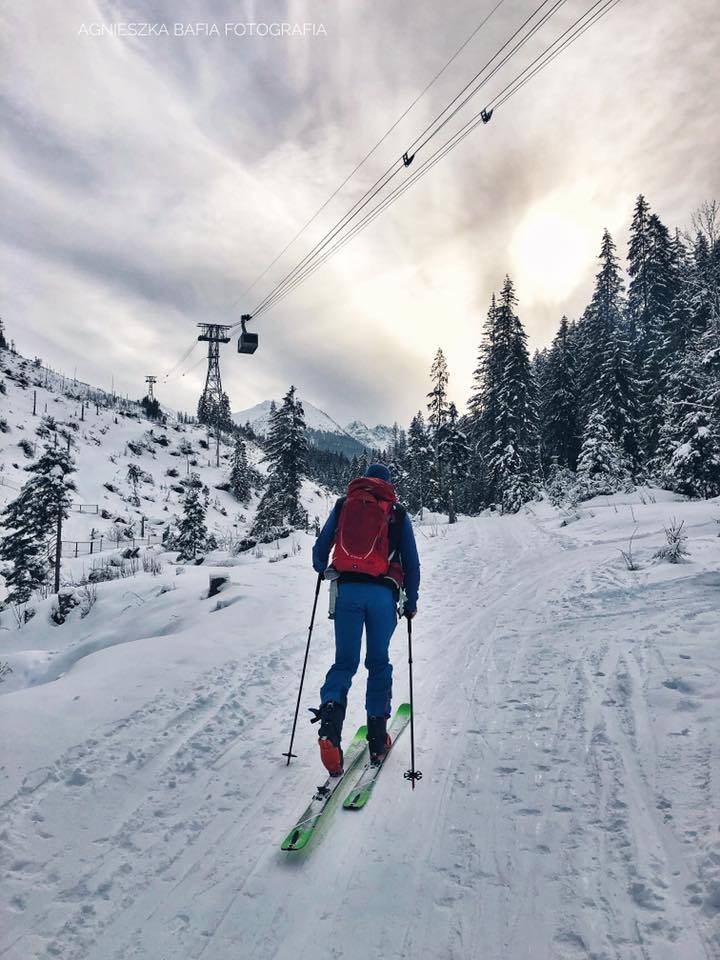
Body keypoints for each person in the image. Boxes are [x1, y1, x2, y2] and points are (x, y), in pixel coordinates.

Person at [310, 463, 420, 775]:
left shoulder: (345, 504)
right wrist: (411, 601)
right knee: (378, 663)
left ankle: (330, 725)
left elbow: (320, 552)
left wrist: (322, 567)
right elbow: (411, 564)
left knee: (344, 664)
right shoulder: (396, 512)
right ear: (388, 484)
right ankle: (376, 738)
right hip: (382, 596)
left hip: (347, 592)